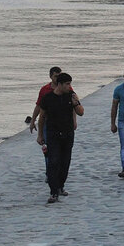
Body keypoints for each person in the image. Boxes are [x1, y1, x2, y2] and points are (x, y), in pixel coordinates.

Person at [35, 72, 83, 203]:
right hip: (53, 134)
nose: (69, 86)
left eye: (70, 84)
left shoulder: (71, 96)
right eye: (67, 84)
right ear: (60, 84)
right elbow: (42, 117)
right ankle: (53, 192)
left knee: (65, 162)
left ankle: (61, 186)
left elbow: (81, 112)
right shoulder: (48, 98)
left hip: (68, 134)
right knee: (53, 162)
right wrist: (40, 135)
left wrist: (76, 102)